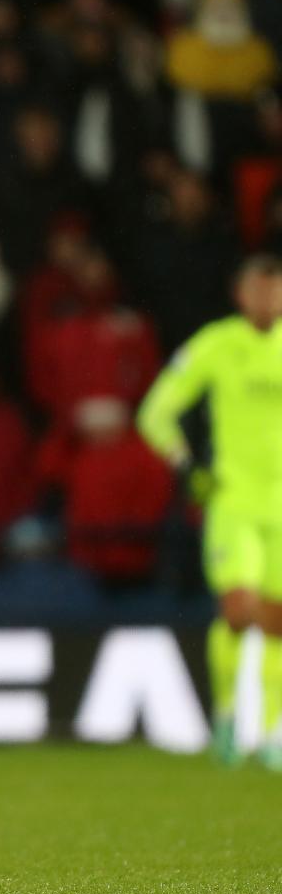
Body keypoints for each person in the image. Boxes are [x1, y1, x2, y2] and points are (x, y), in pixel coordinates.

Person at [137, 255, 282, 769]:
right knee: (239, 612)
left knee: (276, 621)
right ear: (241, 296)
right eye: (259, 291)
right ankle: (225, 716)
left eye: (276, 291)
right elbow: (155, 411)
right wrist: (186, 466)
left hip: (280, 507)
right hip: (234, 500)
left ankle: (269, 736)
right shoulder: (217, 345)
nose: (269, 300)